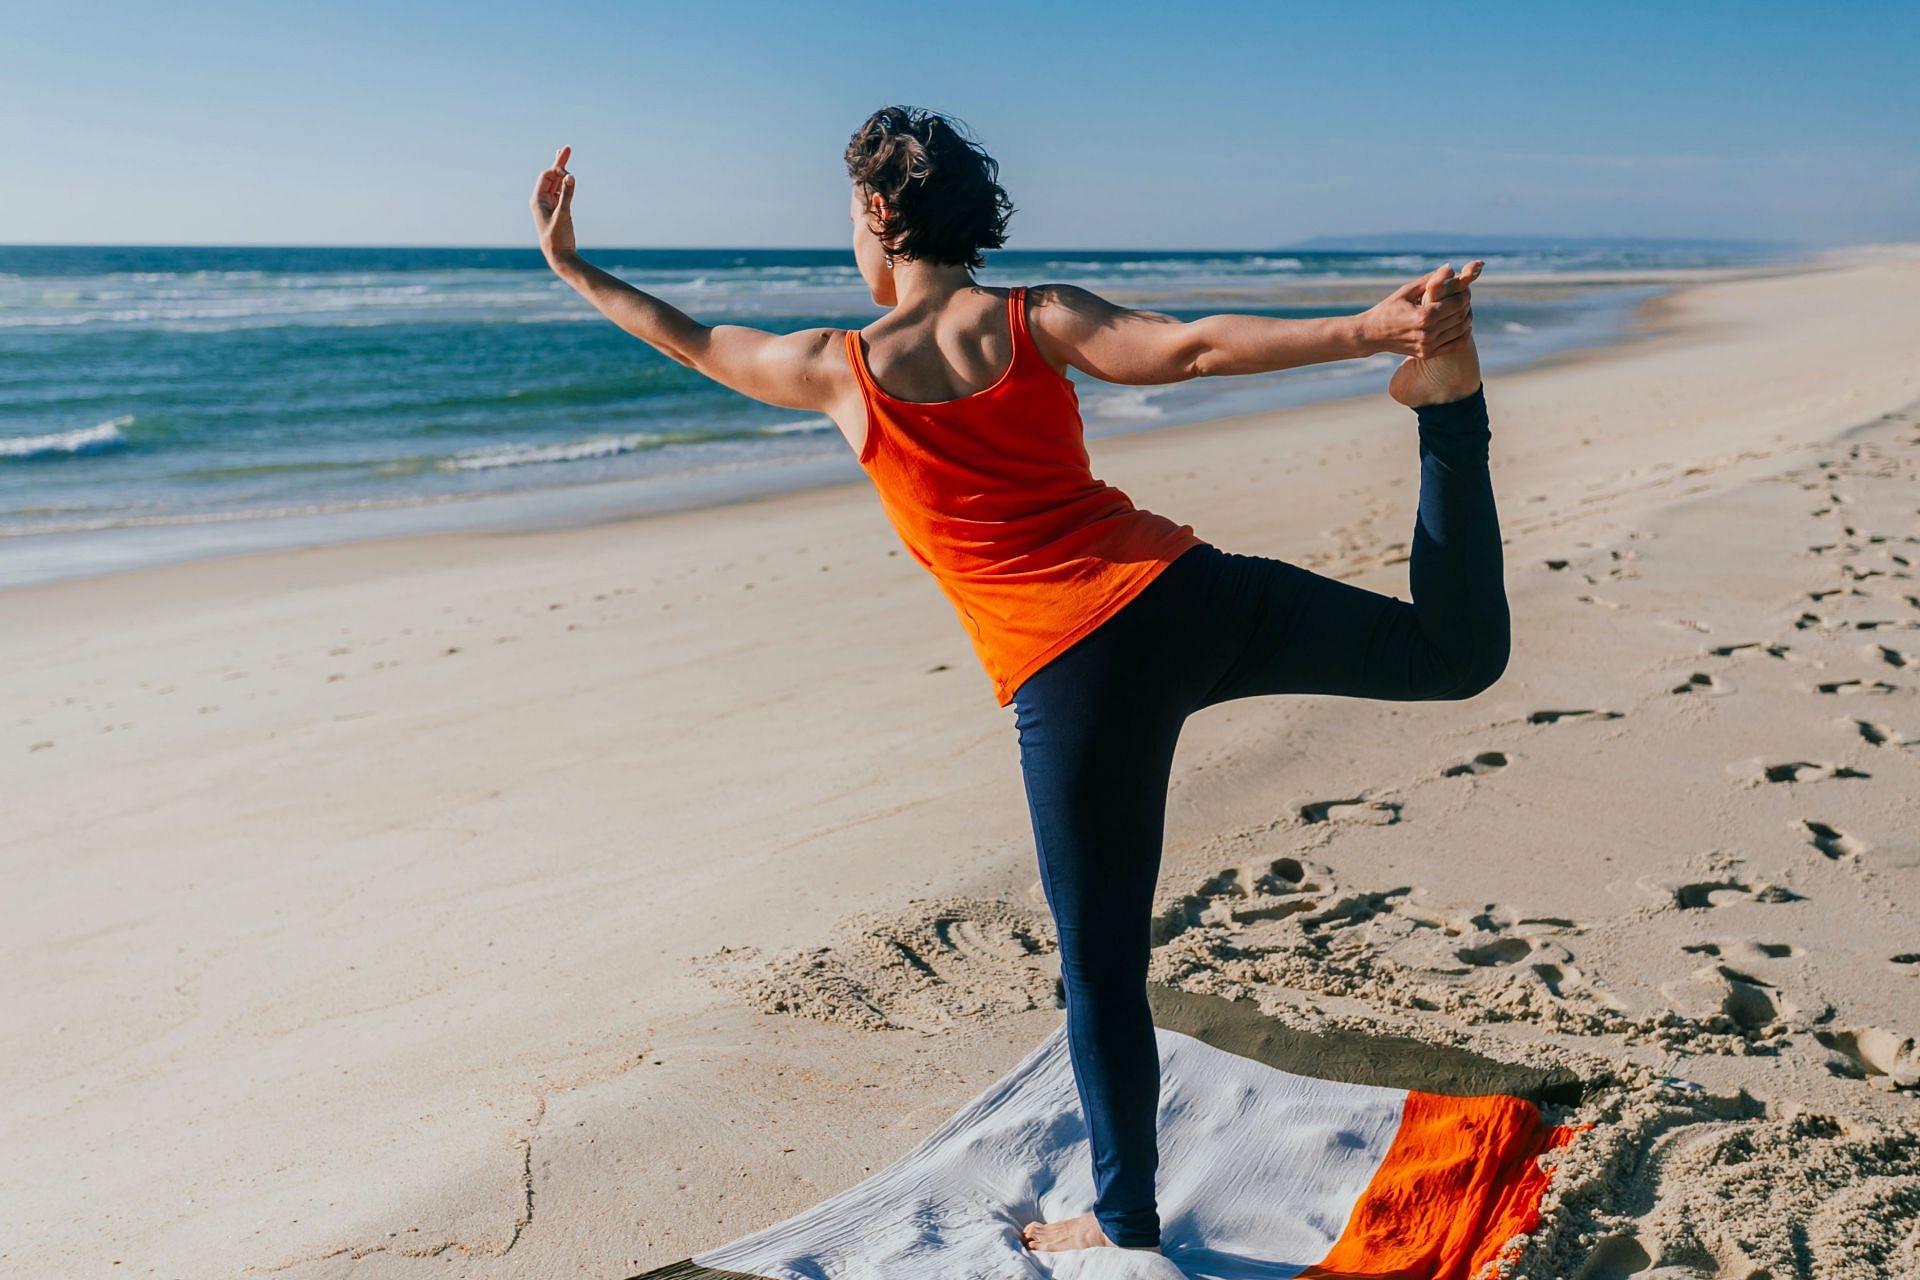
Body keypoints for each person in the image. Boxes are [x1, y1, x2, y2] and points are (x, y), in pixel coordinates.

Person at [531, 105, 1505, 1257]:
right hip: (1183, 594)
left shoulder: (840, 373)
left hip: (1072, 675)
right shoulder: (1035, 317)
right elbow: (1189, 347)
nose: (851, 237)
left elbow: (691, 339)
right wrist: (1374, 329)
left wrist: (572, 264)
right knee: (1454, 656)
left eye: (851, 215)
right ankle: (1447, 411)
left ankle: (1125, 1214)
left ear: (882, 216)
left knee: (1102, 967)